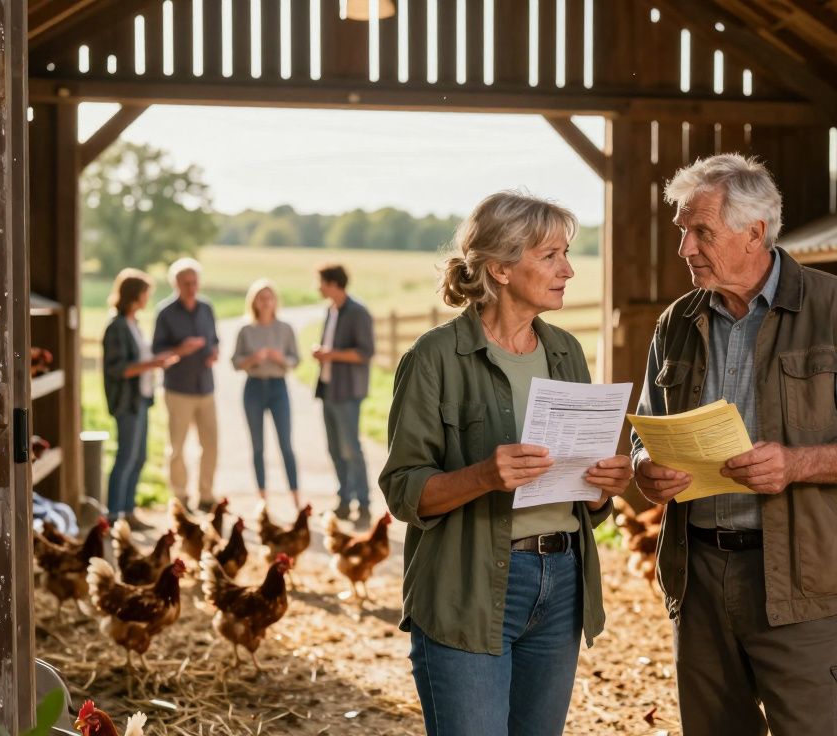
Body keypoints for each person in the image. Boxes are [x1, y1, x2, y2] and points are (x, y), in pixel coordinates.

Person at [630, 154, 837, 736]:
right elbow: (647, 430)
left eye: (700, 231)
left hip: (801, 581)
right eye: (683, 231)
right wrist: (645, 469)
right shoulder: (675, 323)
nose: (685, 248)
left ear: (755, 231)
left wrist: (796, 463)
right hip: (699, 575)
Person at [379, 191, 634, 736]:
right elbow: (403, 490)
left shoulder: (567, 351)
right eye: (550, 256)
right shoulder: (434, 357)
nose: (568, 270)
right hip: (467, 585)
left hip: (563, 579)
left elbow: (583, 495)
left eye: (567, 254)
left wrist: (601, 488)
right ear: (499, 267)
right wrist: (483, 476)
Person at [102, 269, 177, 530]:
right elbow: (117, 368)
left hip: (142, 399)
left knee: (139, 457)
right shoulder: (117, 327)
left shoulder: (134, 323)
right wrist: (153, 364)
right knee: (126, 457)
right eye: (146, 293)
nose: (148, 298)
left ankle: (128, 511)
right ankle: (113, 515)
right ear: (136, 295)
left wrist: (155, 363)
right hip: (127, 402)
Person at [152, 257, 221, 513]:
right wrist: (180, 350)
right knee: (178, 447)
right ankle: (180, 496)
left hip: (206, 387)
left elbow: (214, 340)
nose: (192, 287)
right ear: (176, 284)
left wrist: (213, 352)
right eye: (186, 283)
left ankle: (206, 494)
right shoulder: (165, 312)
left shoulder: (206, 308)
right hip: (178, 388)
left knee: (211, 444)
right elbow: (157, 351)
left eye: (195, 282)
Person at [232, 279, 302, 510]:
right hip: (253, 387)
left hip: (278, 387)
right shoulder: (246, 329)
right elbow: (236, 362)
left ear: (275, 301)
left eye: (269, 297)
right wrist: (253, 359)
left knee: (286, 444)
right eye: (261, 298)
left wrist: (280, 358)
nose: (266, 302)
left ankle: (295, 497)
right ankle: (262, 498)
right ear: (254, 301)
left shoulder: (285, 329)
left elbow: (296, 360)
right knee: (258, 446)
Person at [312, 264, 375, 523]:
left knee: (352, 450)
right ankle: (344, 502)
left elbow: (365, 352)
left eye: (321, 282)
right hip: (328, 389)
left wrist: (330, 355)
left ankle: (364, 506)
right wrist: (323, 353)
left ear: (333, 283)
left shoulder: (358, 313)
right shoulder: (331, 310)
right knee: (335, 449)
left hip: (348, 392)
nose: (318, 287)